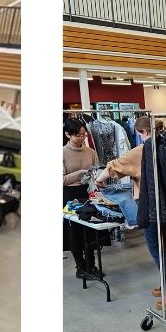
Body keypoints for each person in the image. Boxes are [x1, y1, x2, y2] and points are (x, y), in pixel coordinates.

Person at [95, 117, 166, 304]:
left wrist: (99, 180)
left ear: (143, 132)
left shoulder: (142, 150)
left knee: (159, 251)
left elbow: (113, 166)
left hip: (151, 207)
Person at [62, 119, 102, 281]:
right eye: (78, 135)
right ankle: (80, 266)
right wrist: (81, 172)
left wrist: (97, 176)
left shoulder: (90, 152)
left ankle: (91, 265)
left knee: (90, 229)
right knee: (75, 233)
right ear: (67, 134)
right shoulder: (61, 153)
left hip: (88, 193)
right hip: (69, 195)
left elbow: (97, 171)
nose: (82, 138)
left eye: (83, 135)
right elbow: (61, 180)